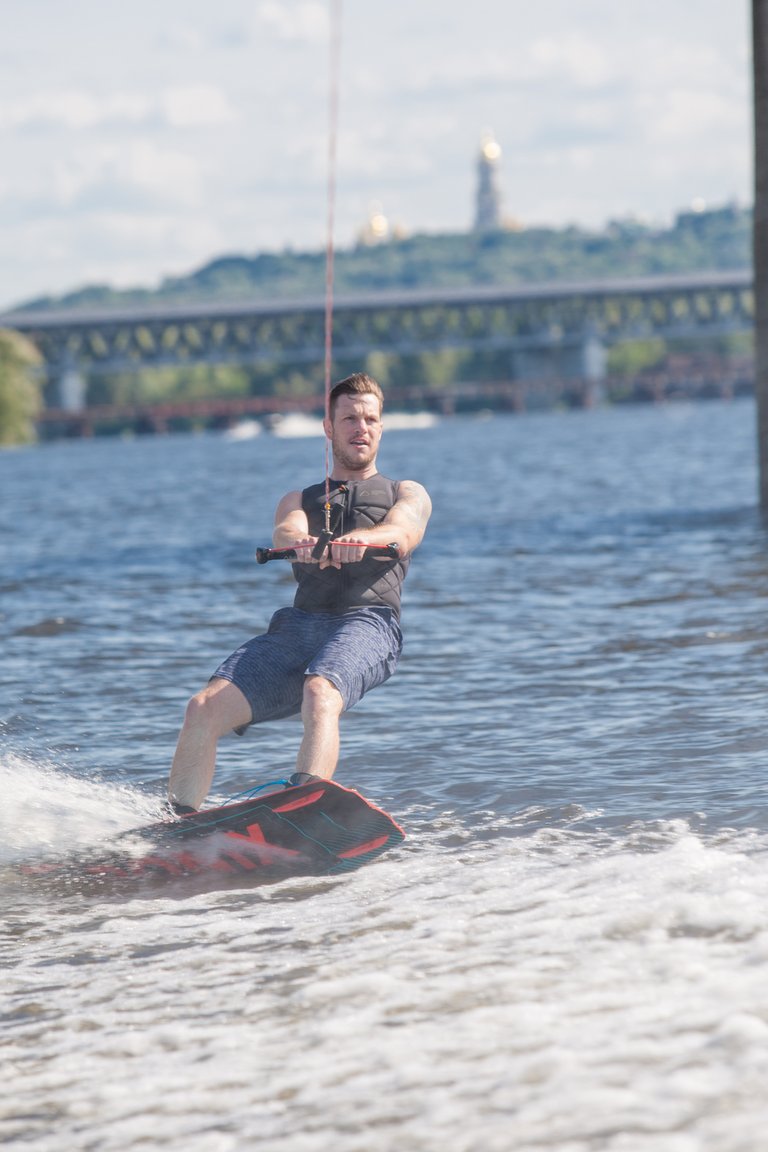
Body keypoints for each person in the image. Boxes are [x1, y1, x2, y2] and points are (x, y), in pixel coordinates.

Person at [167, 372, 432, 812]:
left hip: (369, 624)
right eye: (349, 418)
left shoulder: (407, 491)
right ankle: (179, 825)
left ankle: (303, 807)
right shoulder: (298, 499)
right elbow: (287, 529)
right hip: (298, 627)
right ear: (328, 428)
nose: (360, 427)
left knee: (320, 691)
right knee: (201, 708)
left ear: (381, 427)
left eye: (370, 419)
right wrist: (303, 545)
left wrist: (360, 542)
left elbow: (402, 532)